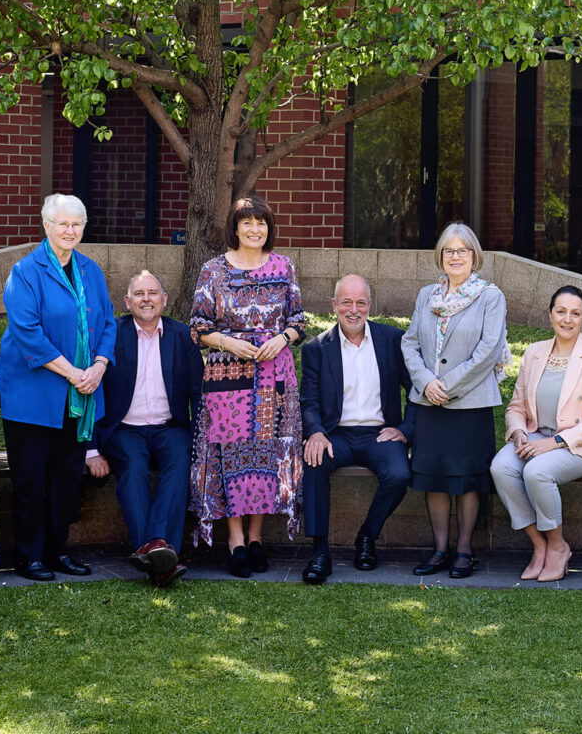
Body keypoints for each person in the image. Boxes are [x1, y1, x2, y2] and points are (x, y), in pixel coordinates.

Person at [0, 194, 117, 581]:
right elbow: (28, 333)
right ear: (46, 226)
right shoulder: (25, 271)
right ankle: (29, 556)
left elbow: (109, 323)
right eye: (62, 223)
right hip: (32, 395)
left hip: (80, 392)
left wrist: (97, 366)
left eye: (77, 224)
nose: (70, 230)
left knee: (65, 477)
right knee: (31, 478)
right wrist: (74, 374)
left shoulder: (90, 270)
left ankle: (58, 550)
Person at [190, 196, 309, 577]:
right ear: (235, 228)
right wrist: (229, 342)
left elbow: (300, 320)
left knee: (264, 453)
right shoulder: (213, 270)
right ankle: (235, 541)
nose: (255, 229)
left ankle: (256, 539)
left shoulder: (283, 266)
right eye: (247, 223)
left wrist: (283, 338)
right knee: (231, 453)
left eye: (261, 223)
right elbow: (198, 327)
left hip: (274, 373)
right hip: (227, 374)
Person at [401, 222, 511, 580]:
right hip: (429, 402)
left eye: (462, 250)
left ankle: (464, 550)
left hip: (469, 403)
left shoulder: (490, 296)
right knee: (433, 476)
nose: (456, 256)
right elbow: (410, 342)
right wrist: (426, 382)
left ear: (474, 255)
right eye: (449, 250)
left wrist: (445, 385)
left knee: (466, 478)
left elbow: (488, 350)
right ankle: (439, 550)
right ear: (440, 256)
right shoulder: (426, 295)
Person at [87, 270, 203, 587]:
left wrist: (202, 440)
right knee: (134, 468)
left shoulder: (184, 337)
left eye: (153, 293)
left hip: (170, 427)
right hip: (125, 429)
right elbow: (91, 392)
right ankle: (163, 556)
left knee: (180, 463)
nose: (147, 299)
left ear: (164, 300)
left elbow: (199, 394)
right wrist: (92, 448)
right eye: (139, 294)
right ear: (127, 302)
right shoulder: (112, 335)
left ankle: (151, 551)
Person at [491, 286, 582, 583]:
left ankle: (559, 547)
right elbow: (516, 406)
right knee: (501, 468)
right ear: (550, 315)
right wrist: (518, 431)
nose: (567, 319)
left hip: (580, 445)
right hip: (535, 436)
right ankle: (539, 545)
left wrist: (555, 442)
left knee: (536, 472)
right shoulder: (534, 352)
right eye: (561, 311)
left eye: (575, 313)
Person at [299, 274, 414, 585]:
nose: (353, 309)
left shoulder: (392, 340)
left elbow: (416, 389)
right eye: (346, 302)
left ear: (370, 305)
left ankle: (367, 536)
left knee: (400, 474)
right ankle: (320, 552)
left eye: (360, 302)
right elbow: (307, 399)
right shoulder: (317, 348)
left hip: (380, 434)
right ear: (334, 305)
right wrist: (315, 432)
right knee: (315, 459)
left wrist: (404, 430)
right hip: (337, 434)